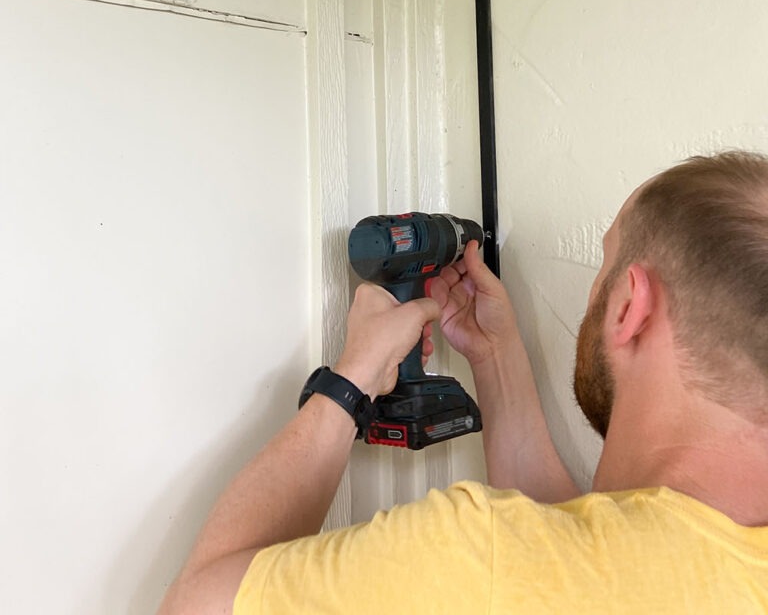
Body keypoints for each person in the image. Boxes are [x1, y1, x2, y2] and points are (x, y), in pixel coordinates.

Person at [157, 151, 768, 614]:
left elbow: (195, 604)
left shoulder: (482, 556)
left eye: (603, 266)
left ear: (629, 306)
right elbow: (589, 551)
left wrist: (351, 380)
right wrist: (495, 357)